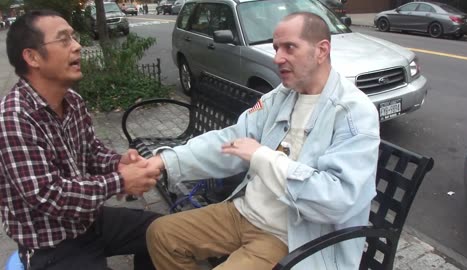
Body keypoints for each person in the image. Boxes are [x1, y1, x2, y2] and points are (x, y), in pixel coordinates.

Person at [145, 12, 380, 270]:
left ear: (321, 50)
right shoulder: (281, 96)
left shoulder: (353, 113)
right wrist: (164, 161)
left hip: (291, 235)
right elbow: (231, 140)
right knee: (161, 234)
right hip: (244, 212)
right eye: (277, 48)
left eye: (290, 47)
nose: (278, 58)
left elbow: (338, 199)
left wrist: (262, 157)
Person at [0, 10, 161, 270]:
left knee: (163, 233)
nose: (77, 46)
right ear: (32, 57)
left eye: (74, 38)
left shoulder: (73, 101)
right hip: (51, 245)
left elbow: (92, 153)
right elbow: (48, 195)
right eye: (64, 40)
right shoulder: (12, 119)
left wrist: (120, 163)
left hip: (89, 222)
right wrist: (121, 181)